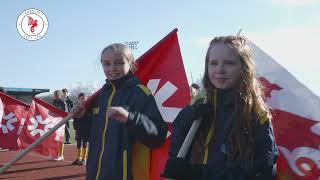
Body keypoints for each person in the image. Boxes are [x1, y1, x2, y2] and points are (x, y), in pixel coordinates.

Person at [161, 36, 278, 180]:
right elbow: (176, 153)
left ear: (244, 67)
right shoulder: (197, 107)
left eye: (229, 63)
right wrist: (185, 122)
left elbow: (263, 170)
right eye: (213, 63)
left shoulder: (255, 113)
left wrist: (199, 174)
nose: (220, 69)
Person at [71, 43, 167, 180]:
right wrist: (81, 118)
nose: (112, 69)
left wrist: (130, 118)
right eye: (107, 64)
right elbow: (88, 136)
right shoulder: (100, 96)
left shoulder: (140, 93)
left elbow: (158, 137)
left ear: (131, 64)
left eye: (119, 63)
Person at [72, 92, 91, 166]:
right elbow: (74, 118)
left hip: (85, 128)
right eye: (81, 98)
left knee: (85, 142)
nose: (83, 100)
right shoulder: (76, 107)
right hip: (78, 127)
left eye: (84, 98)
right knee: (79, 142)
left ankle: (84, 159)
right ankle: (78, 158)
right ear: (78, 99)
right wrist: (75, 126)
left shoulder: (88, 107)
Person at [52, 90, 67, 161]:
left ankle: (61, 155)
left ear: (60, 95)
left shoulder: (63, 103)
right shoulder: (54, 102)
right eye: (55, 95)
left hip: (61, 123)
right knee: (55, 138)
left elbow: (66, 113)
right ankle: (55, 153)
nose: (55, 96)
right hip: (54, 122)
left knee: (60, 138)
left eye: (56, 95)